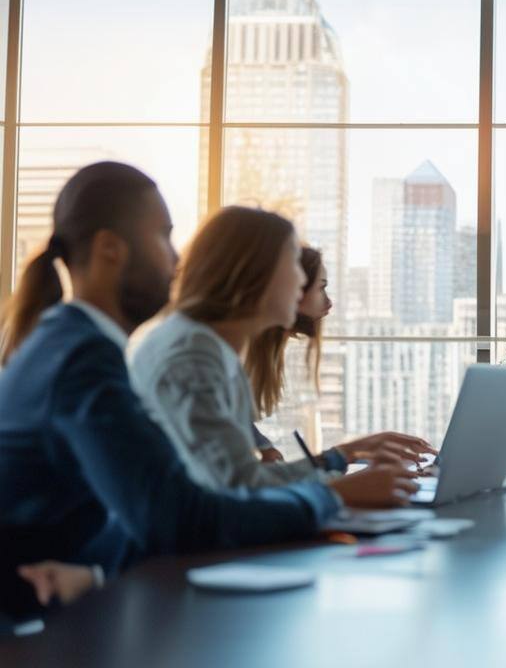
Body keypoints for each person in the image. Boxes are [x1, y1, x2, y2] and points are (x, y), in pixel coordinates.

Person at [0, 163, 416, 618]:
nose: (177, 261)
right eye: (163, 237)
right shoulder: (83, 359)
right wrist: (332, 495)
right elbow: (183, 516)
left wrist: (96, 571)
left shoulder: (73, 343)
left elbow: (155, 505)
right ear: (109, 250)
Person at [131, 206, 434, 491]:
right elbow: (240, 492)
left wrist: (344, 455)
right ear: (255, 273)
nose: (302, 280)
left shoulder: (206, 346)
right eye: (293, 264)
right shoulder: (192, 355)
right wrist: (339, 492)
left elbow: (244, 480)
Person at [244, 245, 331, 463]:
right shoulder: (233, 353)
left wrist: (265, 447)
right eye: (320, 288)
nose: (329, 303)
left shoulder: (263, 350)